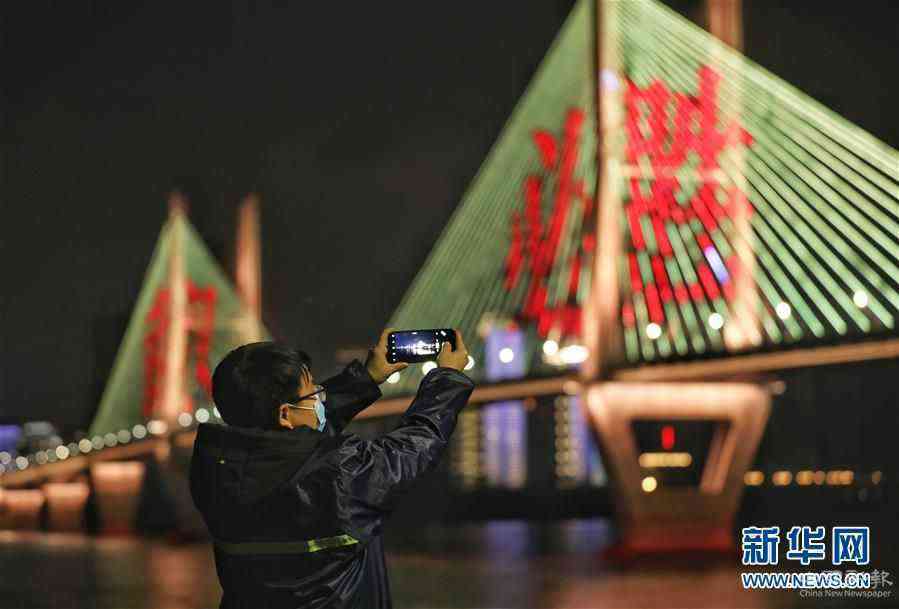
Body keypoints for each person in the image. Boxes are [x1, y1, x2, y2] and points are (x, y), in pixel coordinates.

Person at [189, 327, 474, 609]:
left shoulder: (213, 473)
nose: (319, 395)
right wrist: (447, 379)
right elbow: (409, 451)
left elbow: (285, 443)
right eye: (312, 390)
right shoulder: (338, 476)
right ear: (285, 414)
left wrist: (366, 379)